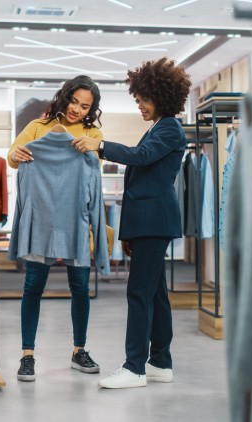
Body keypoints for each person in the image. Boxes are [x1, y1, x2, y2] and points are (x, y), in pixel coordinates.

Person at [72, 57, 191, 389]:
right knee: (155, 295)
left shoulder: (169, 128)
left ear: (162, 96)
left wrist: (101, 146)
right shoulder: (158, 128)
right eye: (138, 100)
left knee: (139, 293)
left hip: (154, 221)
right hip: (146, 223)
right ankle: (160, 363)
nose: (140, 105)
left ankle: (134, 367)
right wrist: (128, 232)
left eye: (145, 100)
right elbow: (143, 177)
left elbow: (140, 158)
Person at [8, 75, 104, 382]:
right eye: (74, 101)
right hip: (42, 221)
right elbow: (13, 157)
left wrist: (94, 149)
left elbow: (93, 174)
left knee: (80, 289)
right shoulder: (38, 127)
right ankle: (27, 355)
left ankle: (79, 350)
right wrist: (15, 155)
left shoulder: (93, 132)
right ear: (65, 98)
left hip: (75, 219)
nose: (77, 110)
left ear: (92, 109)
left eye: (85, 106)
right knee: (33, 287)